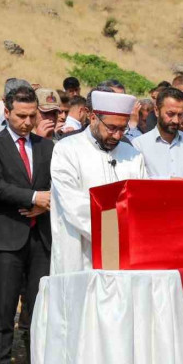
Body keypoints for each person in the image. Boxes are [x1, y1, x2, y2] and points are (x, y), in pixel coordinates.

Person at [0, 86, 54, 364]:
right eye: (21, 116)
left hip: (41, 237)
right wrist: (35, 197)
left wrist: (45, 203)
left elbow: (58, 184)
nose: (27, 122)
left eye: (32, 116)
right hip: (7, 236)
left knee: (39, 308)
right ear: (6, 113)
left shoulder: (47, 147)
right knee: (4, 308)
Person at [49, 90, 147, 275]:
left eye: (122, 129)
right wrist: (115, 229)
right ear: (93, 117)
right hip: (81, 251)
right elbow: (73, 204)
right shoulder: (67, 150)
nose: (118, 136)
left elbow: (141, 200)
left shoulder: (132, 155)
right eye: (111, 128)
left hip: (124, 253)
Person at [133, 88, 183, 179]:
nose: (176, 120)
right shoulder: (139, 145)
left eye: (180, 115)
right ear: (156, 111)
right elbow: (137, 182)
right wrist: (167, 183)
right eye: (170, 114)